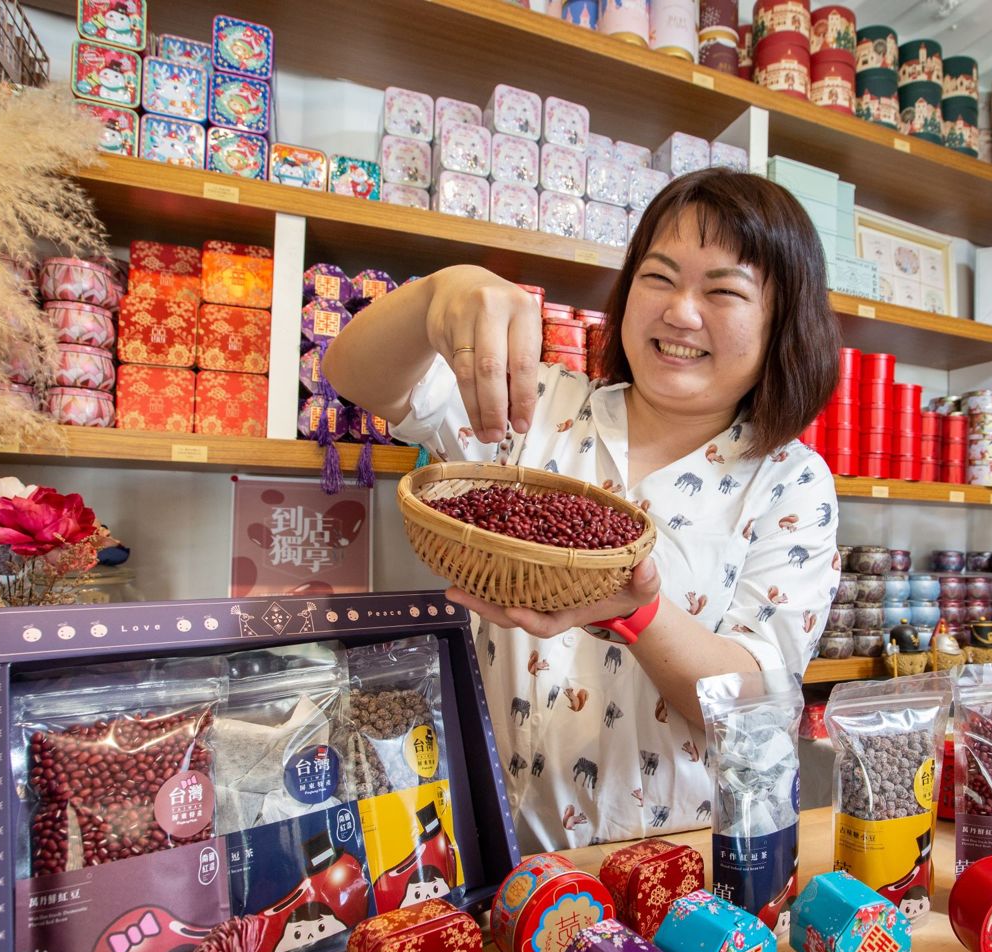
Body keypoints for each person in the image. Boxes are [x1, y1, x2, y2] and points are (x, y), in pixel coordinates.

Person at [323, 169, 841, 850]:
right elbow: (353, 374)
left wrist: (636, 611)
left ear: (781, 324)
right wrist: (436, 294)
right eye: (658, 278)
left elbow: (752, 702)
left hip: (687, 862)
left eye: (723, 291)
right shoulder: (533, 406)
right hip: (504, 848)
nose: (682, 312)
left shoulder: (789, 481)